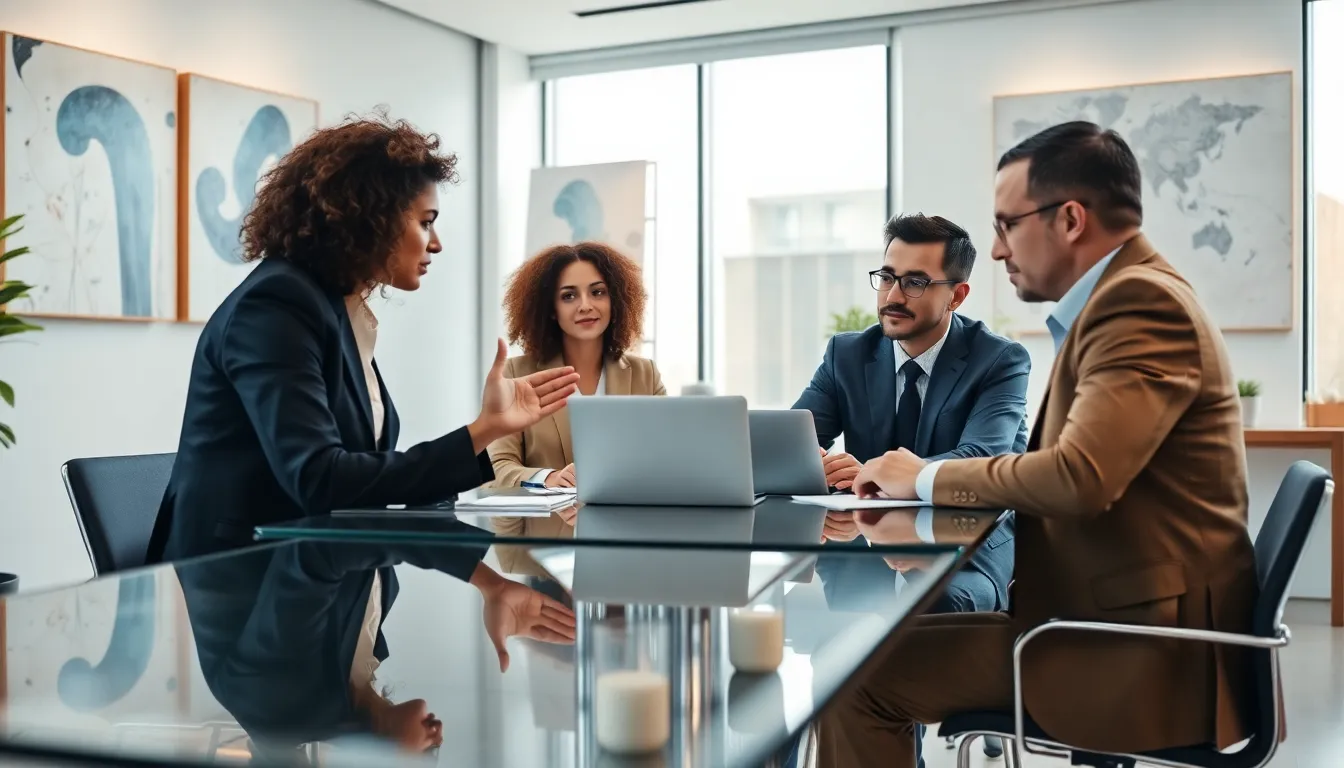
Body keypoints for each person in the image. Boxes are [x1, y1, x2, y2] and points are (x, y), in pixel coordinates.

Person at [817, 121, 1257, 768]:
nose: (997, 250)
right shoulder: (1131, 296)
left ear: (1071, 219)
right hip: (1105, 618)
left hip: (1135, 650)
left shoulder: (1138, 304)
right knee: (865, 651)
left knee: (855, 676)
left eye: (1006, 225)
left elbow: (1080, 477)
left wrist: (924, 477)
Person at [147, 114, 579, 564]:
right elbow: (320, 478)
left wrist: (488, 430)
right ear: (371, 217)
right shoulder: (276, 305)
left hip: (323, 575)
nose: (436, 244)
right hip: (245, 583)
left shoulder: (335, 308)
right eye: (426, 222)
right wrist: (479, 432)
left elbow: (362, 477)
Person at [792, 213, 1028, 613]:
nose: (892, 296)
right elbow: (793, 440)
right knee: (822, 623)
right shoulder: (847, 355)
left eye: (915, 282)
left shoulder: (998, 360)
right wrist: (813, 464)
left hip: (966, 549)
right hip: (865, 544)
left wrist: (872, 475)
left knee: (939, 605)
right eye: (886, 277)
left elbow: (980, 461)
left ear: (957, 295)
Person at [487, 242, 664, 570]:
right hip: (539, 566)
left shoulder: (644, 374)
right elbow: (495, 469)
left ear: (616, 301)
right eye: (569, 295)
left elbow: (668, 459)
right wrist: (548, 478)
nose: (586, 305)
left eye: (598, 292)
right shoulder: (518, 374)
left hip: (625, 557)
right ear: (551, 308)